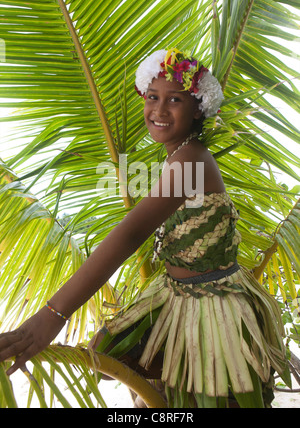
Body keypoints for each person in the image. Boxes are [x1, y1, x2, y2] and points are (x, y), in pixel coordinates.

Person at [0, 48, 289, 408]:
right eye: (152, 97)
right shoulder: (179, 153)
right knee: (106, 356)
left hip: (213, 308)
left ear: (198, 108)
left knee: (211, 397)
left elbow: (130, 233)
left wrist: (53, 315)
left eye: (175, 100)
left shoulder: (190, 160)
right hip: (173, 293)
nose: (159, 110)